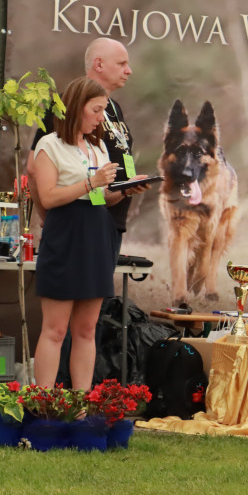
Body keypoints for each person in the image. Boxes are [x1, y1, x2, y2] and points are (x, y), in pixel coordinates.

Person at [30, 77, 149, 390]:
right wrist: (90, 183)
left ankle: (81, 403)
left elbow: (102, 197)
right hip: (65, 233)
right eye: (96, 110)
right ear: (76, 108)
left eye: (104, 111)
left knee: (86, 328)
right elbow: (48, 197)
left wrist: (125, 191)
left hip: (97, 234)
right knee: (55, 330)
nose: (101, 118)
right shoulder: (50, 145)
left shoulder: (97, 147)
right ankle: (45, 402)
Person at [28, 37, 136, 261]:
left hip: (109, 218)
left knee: (98, 291)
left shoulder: (115, 108)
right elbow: (33, 167)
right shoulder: (64, 105)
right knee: (72, 289)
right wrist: (48, 216)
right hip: (74, 221)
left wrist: (130, 185)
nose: (129, 71)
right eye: (122, 64)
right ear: (99, 64)